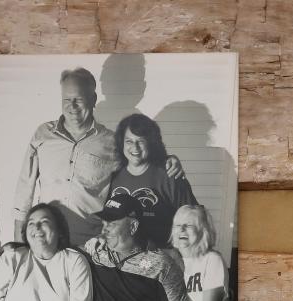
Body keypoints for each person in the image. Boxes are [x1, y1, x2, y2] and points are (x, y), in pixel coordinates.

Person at [13, 68, 185, 248]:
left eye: (78, 99)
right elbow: (24, 189)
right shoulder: (43, 134)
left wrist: (167, 160)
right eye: (66, 100)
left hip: (92, 245)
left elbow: (140, 166)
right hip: (49, 243)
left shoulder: (111, 141)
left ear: (93, 99)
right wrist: (19, 243)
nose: (72, 106)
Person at [0, 203, 93, 301]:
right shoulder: (11, 258)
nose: (36, 227)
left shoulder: (75, 262)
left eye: (44, 221)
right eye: (31, 223)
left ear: (59, 230)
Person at [82, 193, 190, 301]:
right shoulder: (96, 253)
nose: (104, 230)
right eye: (104, 224)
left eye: (112, 224)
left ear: (133, 226)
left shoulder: (162, 265)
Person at [108, 113, 198, 248]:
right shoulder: (114, 178)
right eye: (129, 141)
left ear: (151, 142)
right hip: (122, 258)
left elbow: (194, 219)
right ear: (122, 143)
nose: (135, 147)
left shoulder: (170, 175)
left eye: (141, 141)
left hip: (162, 258)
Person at [170, 205, 229, 301]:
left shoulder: (212, 260)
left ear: (203, 231)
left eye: (189, 225)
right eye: (178, 225)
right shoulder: (170, 260)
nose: (181, 229)